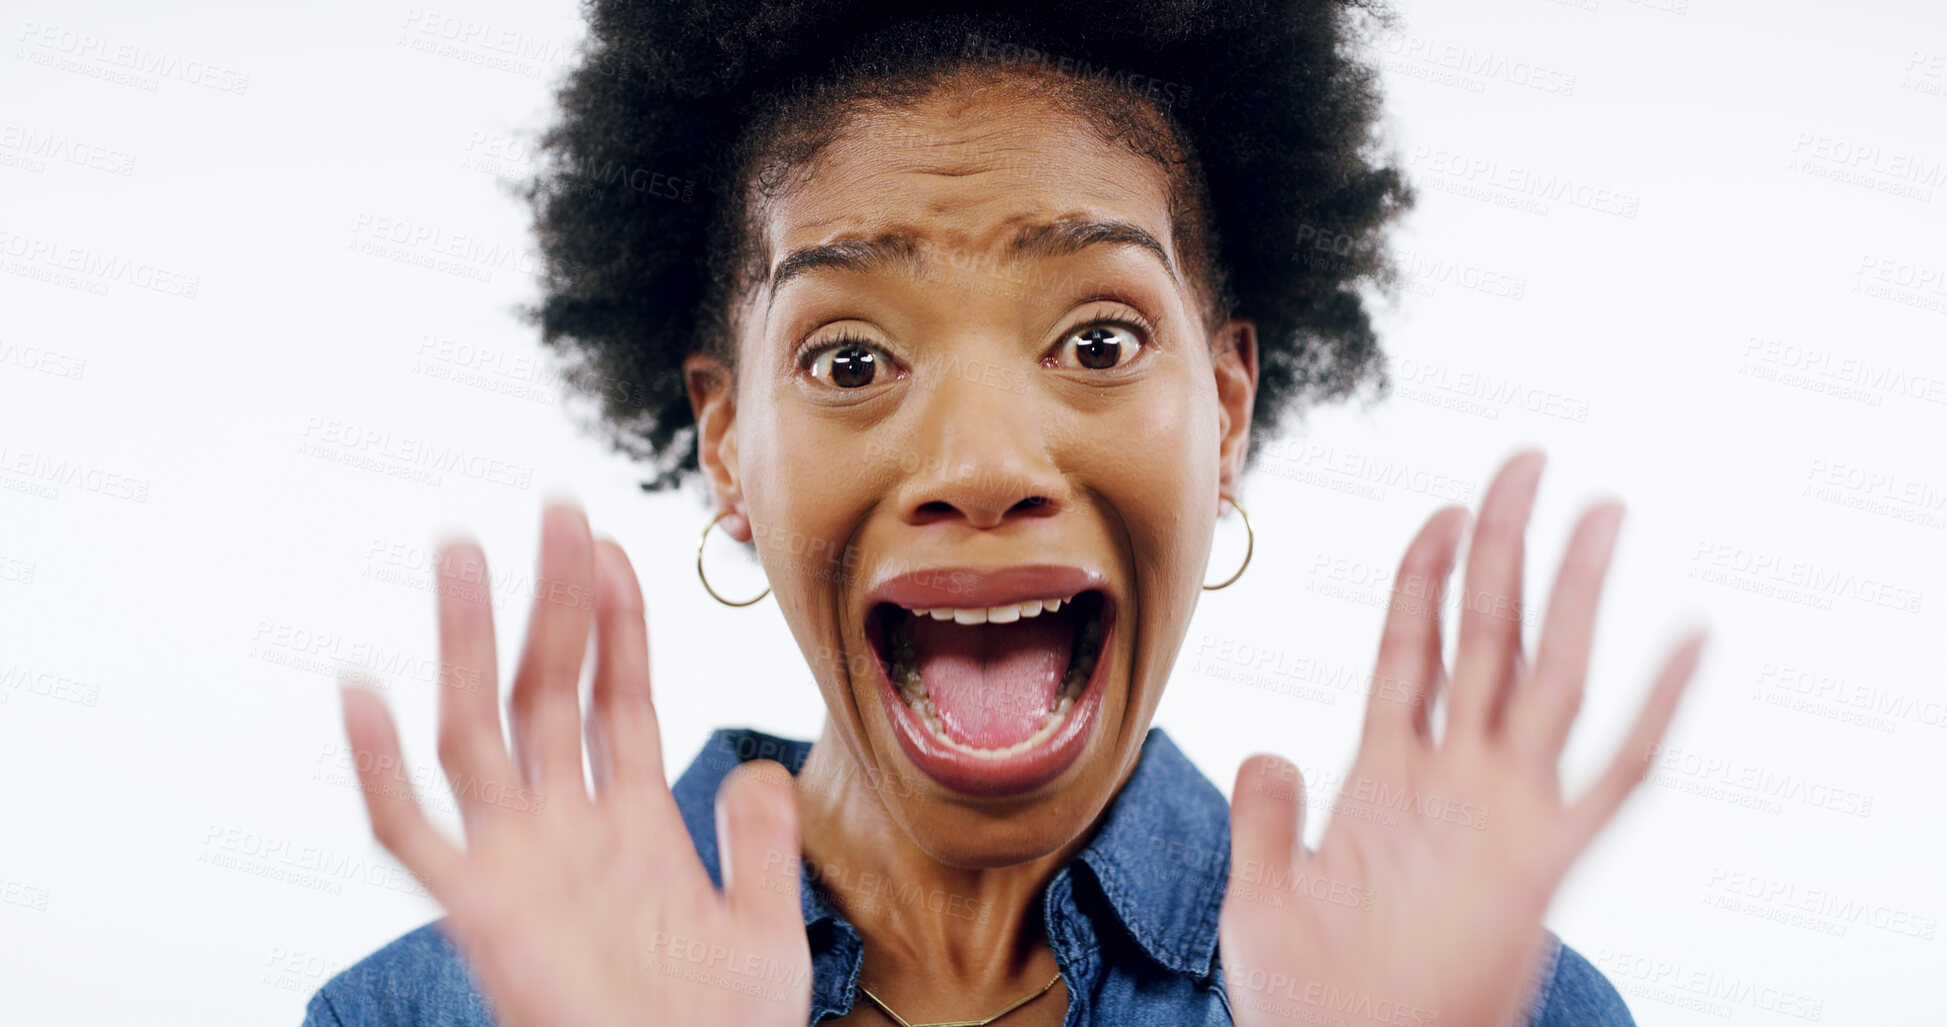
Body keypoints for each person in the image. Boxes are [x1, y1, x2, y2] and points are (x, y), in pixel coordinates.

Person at [305, 2, 1706, 1024]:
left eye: (1096, 342)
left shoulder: (1468, 1006)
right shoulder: (431, 1014)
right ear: (727, 446)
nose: (981, 463)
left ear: (1226, 406)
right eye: (851, 361)